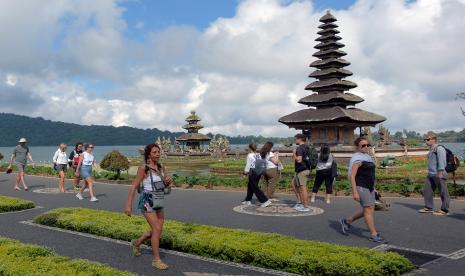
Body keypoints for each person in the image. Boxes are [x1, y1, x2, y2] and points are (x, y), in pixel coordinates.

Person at [124, 144, 173, 270]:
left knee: (158, 230)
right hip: (147, 201)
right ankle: (156, 260)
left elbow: (164, 186)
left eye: (158, 152)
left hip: (158, 199)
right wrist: (128, 205)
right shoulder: (144, 169)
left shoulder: (161, 167)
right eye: (155, 152)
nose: (157, 154)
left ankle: (137, 242)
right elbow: (134, 186)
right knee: (156, 229)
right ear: (149, 155)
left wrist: (168, 183)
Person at [340, 137, 385, 243]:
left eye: (367, 145)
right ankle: (374, 234)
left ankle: (347, 221)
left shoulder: (368, 157)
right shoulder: (357, 158)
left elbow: (370, 175)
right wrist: (354, 191)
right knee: (368, 209)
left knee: (369, 209)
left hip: (369, 187)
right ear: (357, 147)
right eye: (363, 145)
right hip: (360, 186)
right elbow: (352, 176)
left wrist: (374, 188)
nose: (366, 147)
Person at [418, 131, 450, 216]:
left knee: (443, 192)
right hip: (431, 174)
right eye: (425, 139)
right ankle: (428, 207)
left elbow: (442, 161)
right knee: (427, 190)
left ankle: (445, 210)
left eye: (428, 139)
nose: (426, 141)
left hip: (439, 173)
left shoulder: (439, 148)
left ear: (434, 139)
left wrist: (440, 171)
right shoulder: (431, 149)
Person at [242, 143, 272, 207]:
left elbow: (248, 165)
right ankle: (248, 200)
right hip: (258, 172)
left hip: (252, 171)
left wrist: (245, 173)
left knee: (255, 187)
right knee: (250, 186)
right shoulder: (258, 155)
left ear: (250, 148)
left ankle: (265, 200)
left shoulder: (250, 155)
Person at [292, 134, 311, 212]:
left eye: (296, 139)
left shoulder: (299, 148)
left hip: (302, 170)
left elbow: (299, 160)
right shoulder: (307, 147)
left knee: (303, 188)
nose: (295, 140)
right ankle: (300, 202)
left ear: (300, 139)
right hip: (305, 169)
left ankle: (305, 206)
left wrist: (294, 154)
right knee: (294, 184)